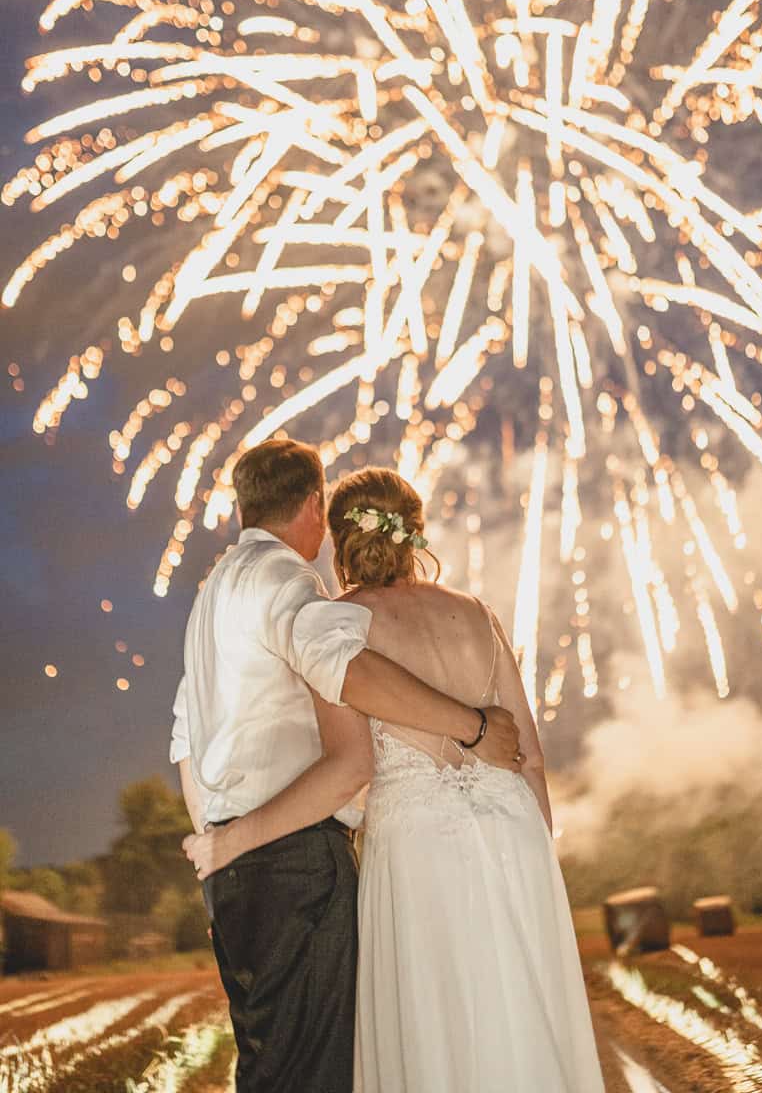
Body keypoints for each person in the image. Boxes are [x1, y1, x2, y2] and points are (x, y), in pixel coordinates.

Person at [185, 465, 605, 1093]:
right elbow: (532, 759)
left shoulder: (338, 620)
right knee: (518, 1011)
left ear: (340, 540)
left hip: (417, 846)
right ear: (415, 531)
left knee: (437, 1027)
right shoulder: (479, 614)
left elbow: (352, 762)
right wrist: (537, 853)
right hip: (514, 832)